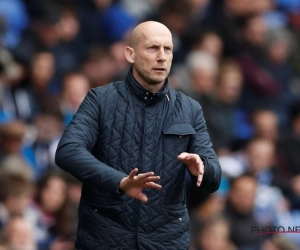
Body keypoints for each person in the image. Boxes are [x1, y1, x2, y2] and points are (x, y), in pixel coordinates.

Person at [55, 21, 222, 250]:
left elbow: (214, 177)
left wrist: (202, 166)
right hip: (104, 238)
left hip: (166, 241)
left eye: (168, 49)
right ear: (130, 54)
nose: (162, 57)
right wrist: (120, 182)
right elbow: (67, 151)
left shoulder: (190, 109)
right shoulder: (100, 100)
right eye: (153, 48)